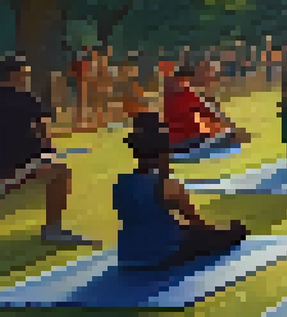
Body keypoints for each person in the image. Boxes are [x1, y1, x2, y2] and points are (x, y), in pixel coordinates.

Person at [115, 113, 249, 269]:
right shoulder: (168, 185)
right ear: (164, 151)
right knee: (234, 232)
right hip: (163, 254)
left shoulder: (121, 183)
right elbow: (197, 223)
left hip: (128, 255)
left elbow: (143, 218)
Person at [0, 56, 98, 247]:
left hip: (14, 168)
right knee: (60, 173)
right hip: (17, 169)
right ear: (14, 75)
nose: (27, 79)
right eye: (25, 75)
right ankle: (53, 229)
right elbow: (44, 133)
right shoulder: (25, 98)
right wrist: (47, 152)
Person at [162, 66, 249, 154]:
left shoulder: (183, 95)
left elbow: (204, 112)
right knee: (225, 136)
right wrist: (221, 127)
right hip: (186, 139)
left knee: (220, 129)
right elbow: (195, 122)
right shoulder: (181, 97)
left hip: (182, 138)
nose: (186, 83)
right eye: (184, 80)